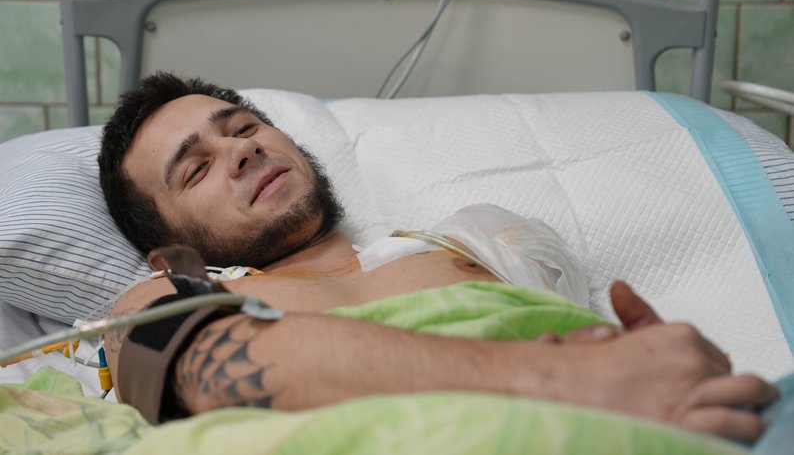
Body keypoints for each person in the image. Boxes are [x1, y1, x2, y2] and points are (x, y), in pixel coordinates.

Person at [98, 72, 778, 440]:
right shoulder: (150, 304)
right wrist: (570, 380)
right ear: (166, 254)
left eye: (244, 127)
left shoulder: (482, 239)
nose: (242, 149)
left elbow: (600, 355)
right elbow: (219, 377)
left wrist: (652, 364)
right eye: (197, 168)